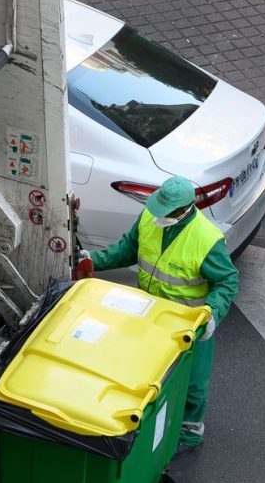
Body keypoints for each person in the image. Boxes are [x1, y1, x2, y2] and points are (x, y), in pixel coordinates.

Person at [83, 176, 239, 457]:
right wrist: (91, 260)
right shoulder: (149, 217)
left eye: (167, 213)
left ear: (185, 210)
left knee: (192, 383)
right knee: (145, 373)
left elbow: (227, 282)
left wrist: (211, 315)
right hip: (149, 316)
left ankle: (190, 434)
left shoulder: (206, 239)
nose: (159, 217)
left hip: (188, 325)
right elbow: (127, 249)